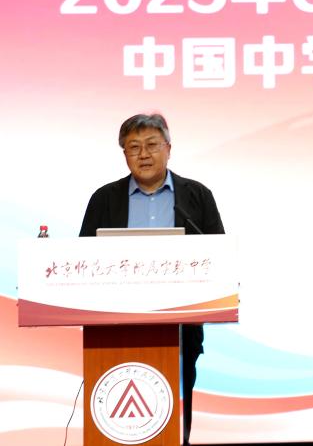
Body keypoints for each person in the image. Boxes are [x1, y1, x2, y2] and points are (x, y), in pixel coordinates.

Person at [80, 113, 224, 446]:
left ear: (168, 149)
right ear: (124, 154)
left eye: (151, 145)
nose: (143, 154)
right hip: (113, 329)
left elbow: (219, 255)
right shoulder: (104, 199)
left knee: (175, 413)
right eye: (134, 147)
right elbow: (82, 258)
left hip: (182, 327)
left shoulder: (197, 196)